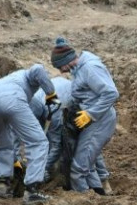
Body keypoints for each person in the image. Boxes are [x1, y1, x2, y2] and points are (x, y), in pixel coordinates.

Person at [0, 64, 60, 205]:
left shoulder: (12, 80)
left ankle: (3, 183)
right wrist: (51, 93)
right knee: (39, 142)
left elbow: (13, 132)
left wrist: (16, 160)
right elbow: (38, 69)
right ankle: (32, 191)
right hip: (10, 99)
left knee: (2, 139)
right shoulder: (28, 74)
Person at [50, 37, 119, 195]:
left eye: (60, 66)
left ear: (67, 60)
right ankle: (99, 193)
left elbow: (111, 93)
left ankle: (84, 201)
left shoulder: (90, 68)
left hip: (100, 119)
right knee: (87, 160)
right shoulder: (78, 68)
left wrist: (90, 114)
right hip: (93, 118)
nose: (61, 71)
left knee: (78, 168)